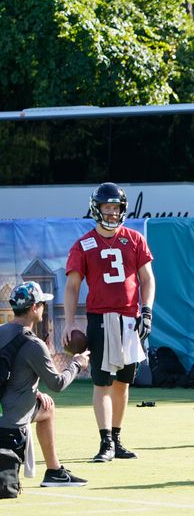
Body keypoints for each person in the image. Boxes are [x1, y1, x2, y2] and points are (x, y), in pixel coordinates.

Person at [61, 182, 155, 463]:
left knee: (124, 383)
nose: (112, 213)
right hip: (101, 318)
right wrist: (67, 323)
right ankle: (105, 443)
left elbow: (147, 278)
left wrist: (147, 311)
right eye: (107, 207)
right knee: (102, 383)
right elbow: (72, 287)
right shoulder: (84, 244)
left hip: (129, 318)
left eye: (116, 208)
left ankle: (116, 438)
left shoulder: (134, 239)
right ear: (97, 209)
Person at [0, 281, 90, 487]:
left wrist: (34, 390)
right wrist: (76, 363)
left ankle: (55, 470)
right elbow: (57, 384)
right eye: (41, 304)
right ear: (34, 308)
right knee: (49, 406)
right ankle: (54, 472)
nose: (43, 308)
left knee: (46, 408)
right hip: (11, 424)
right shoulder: (34, 344)